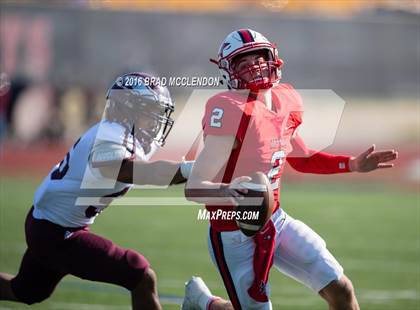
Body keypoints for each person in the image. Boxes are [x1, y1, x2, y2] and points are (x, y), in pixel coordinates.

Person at [182, 29, 398, 310]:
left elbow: (302, 158)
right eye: (243, 63)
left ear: (273, 58)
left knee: (341, 289)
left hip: (275, 219)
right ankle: (206, 304)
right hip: (235, 230)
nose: (255, 67)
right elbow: (195, 186)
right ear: (228, 72)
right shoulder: (230, 109)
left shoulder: (285, 100)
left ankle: (203, 302)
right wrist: (230, 191)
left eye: (259, 58)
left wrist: (352, 165)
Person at [0, 72, 194, 310]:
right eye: (149, 111)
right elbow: (140, 172)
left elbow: (156, 167)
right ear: (128, 110)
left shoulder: (128, 134)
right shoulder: (108, 138)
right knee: (141, 275)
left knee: (25, 291)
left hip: (50, 225)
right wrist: (189, 170)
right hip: (57, 232)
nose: (156, 121)